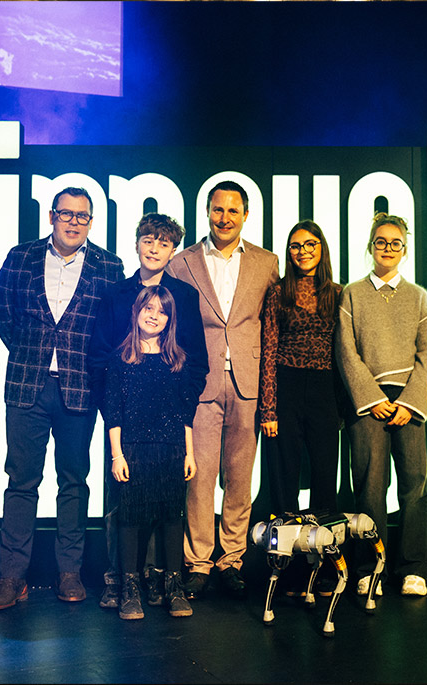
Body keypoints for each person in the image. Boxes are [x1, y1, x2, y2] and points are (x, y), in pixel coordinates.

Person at [0, 187, 124, 610]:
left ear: (91, 221)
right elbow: (2, 312)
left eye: (82, 216)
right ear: (51, 216)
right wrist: (32, 355)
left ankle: (70, 573)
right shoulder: (20, 256)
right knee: (22, 481)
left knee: (74, 482)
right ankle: (12, 577)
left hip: (80, 388)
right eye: (66, 213)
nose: (73, 222)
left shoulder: (109, 266)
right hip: (28, 385)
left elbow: (113, 328)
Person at [165, 180, 279, 599]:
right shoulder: (182, 262)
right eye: (218, 209)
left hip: (248, 385)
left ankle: (231, 560)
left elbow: (273, 328)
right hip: (201, 383)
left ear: (245, 215)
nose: (225, 217)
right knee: (199, 478)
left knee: (240, 479)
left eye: (233, 210)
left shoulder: (267, 263)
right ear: (208, 212)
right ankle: (198, 563)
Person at [88, 212, 207, 610]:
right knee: (122, 504)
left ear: (173, 250)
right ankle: (120, 580)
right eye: (148, 240)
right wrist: (115, 411)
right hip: (126, 422)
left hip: (170, 424)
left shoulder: (185, 297)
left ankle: (160, 579)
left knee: (165, 505)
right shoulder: (116, 295)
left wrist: (178, 408)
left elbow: (196, 364)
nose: (154, 249)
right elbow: (101, 356)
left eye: (163, 243)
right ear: (137, 243)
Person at [336, 212, 427, 598]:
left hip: (409, 403)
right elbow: (346, 350)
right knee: (370, 490)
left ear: (405, 250)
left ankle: (412, 569)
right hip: (369, 404)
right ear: (371, 246)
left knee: (415, 488)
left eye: (395, 243)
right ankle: (369, 567)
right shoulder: (353, 294)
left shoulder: (418, 296)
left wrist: (409, 403)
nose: (388, 249)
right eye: (381, 242)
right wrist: (372, 399)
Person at [259, 221, 343, 596]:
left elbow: (345, 353)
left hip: (326, 390)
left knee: (326, 483)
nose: (303, 251)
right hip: (287, 387)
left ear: (322, 248)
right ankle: (287, 571)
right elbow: (269, 349)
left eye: (310, 244)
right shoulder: (278, 293)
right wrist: (269, 409)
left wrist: (343, 406)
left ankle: (324, 569)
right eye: (295, 245)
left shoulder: (339, 294)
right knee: (284, 485)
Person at [105, 286, 199, 620]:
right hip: (133, 450)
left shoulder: (178, 360)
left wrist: (189, 454)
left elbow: (184, 413)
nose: (154, 315)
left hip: (171, 449)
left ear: (170, 319)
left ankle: (173, 586)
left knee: (172, 518)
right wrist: (117, 455)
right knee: (130, 519)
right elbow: (113, 412)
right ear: (137, 311)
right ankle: (129, 590)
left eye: (161, 311)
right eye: (148, 308)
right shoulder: (120, 359)